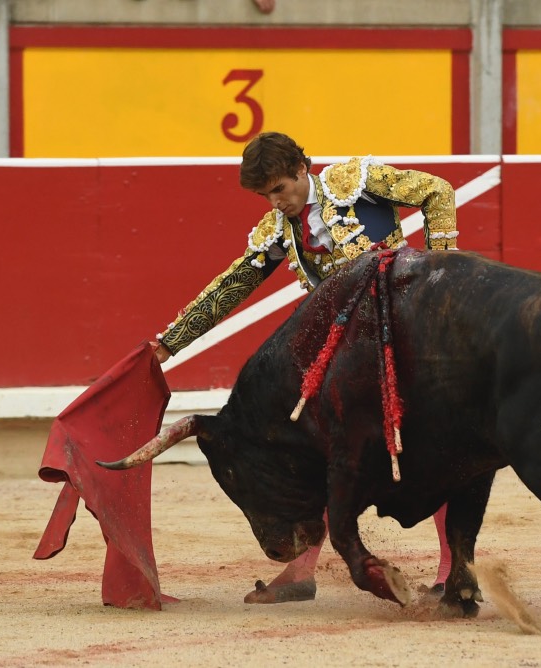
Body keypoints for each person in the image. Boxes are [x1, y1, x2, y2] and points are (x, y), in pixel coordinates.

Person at [151, 132, 458, 603]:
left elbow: (438, 191)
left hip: (406, 332)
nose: (276, 203)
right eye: (266, 195)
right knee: (320, 446)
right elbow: (232, 285)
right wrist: (170, 343)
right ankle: (301, 570)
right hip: (346, 354)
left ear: (301, 170)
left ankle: (452, 568)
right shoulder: (277, 230)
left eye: (279, 189)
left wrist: (442, 275)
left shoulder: (353, 181)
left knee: (435, 441)